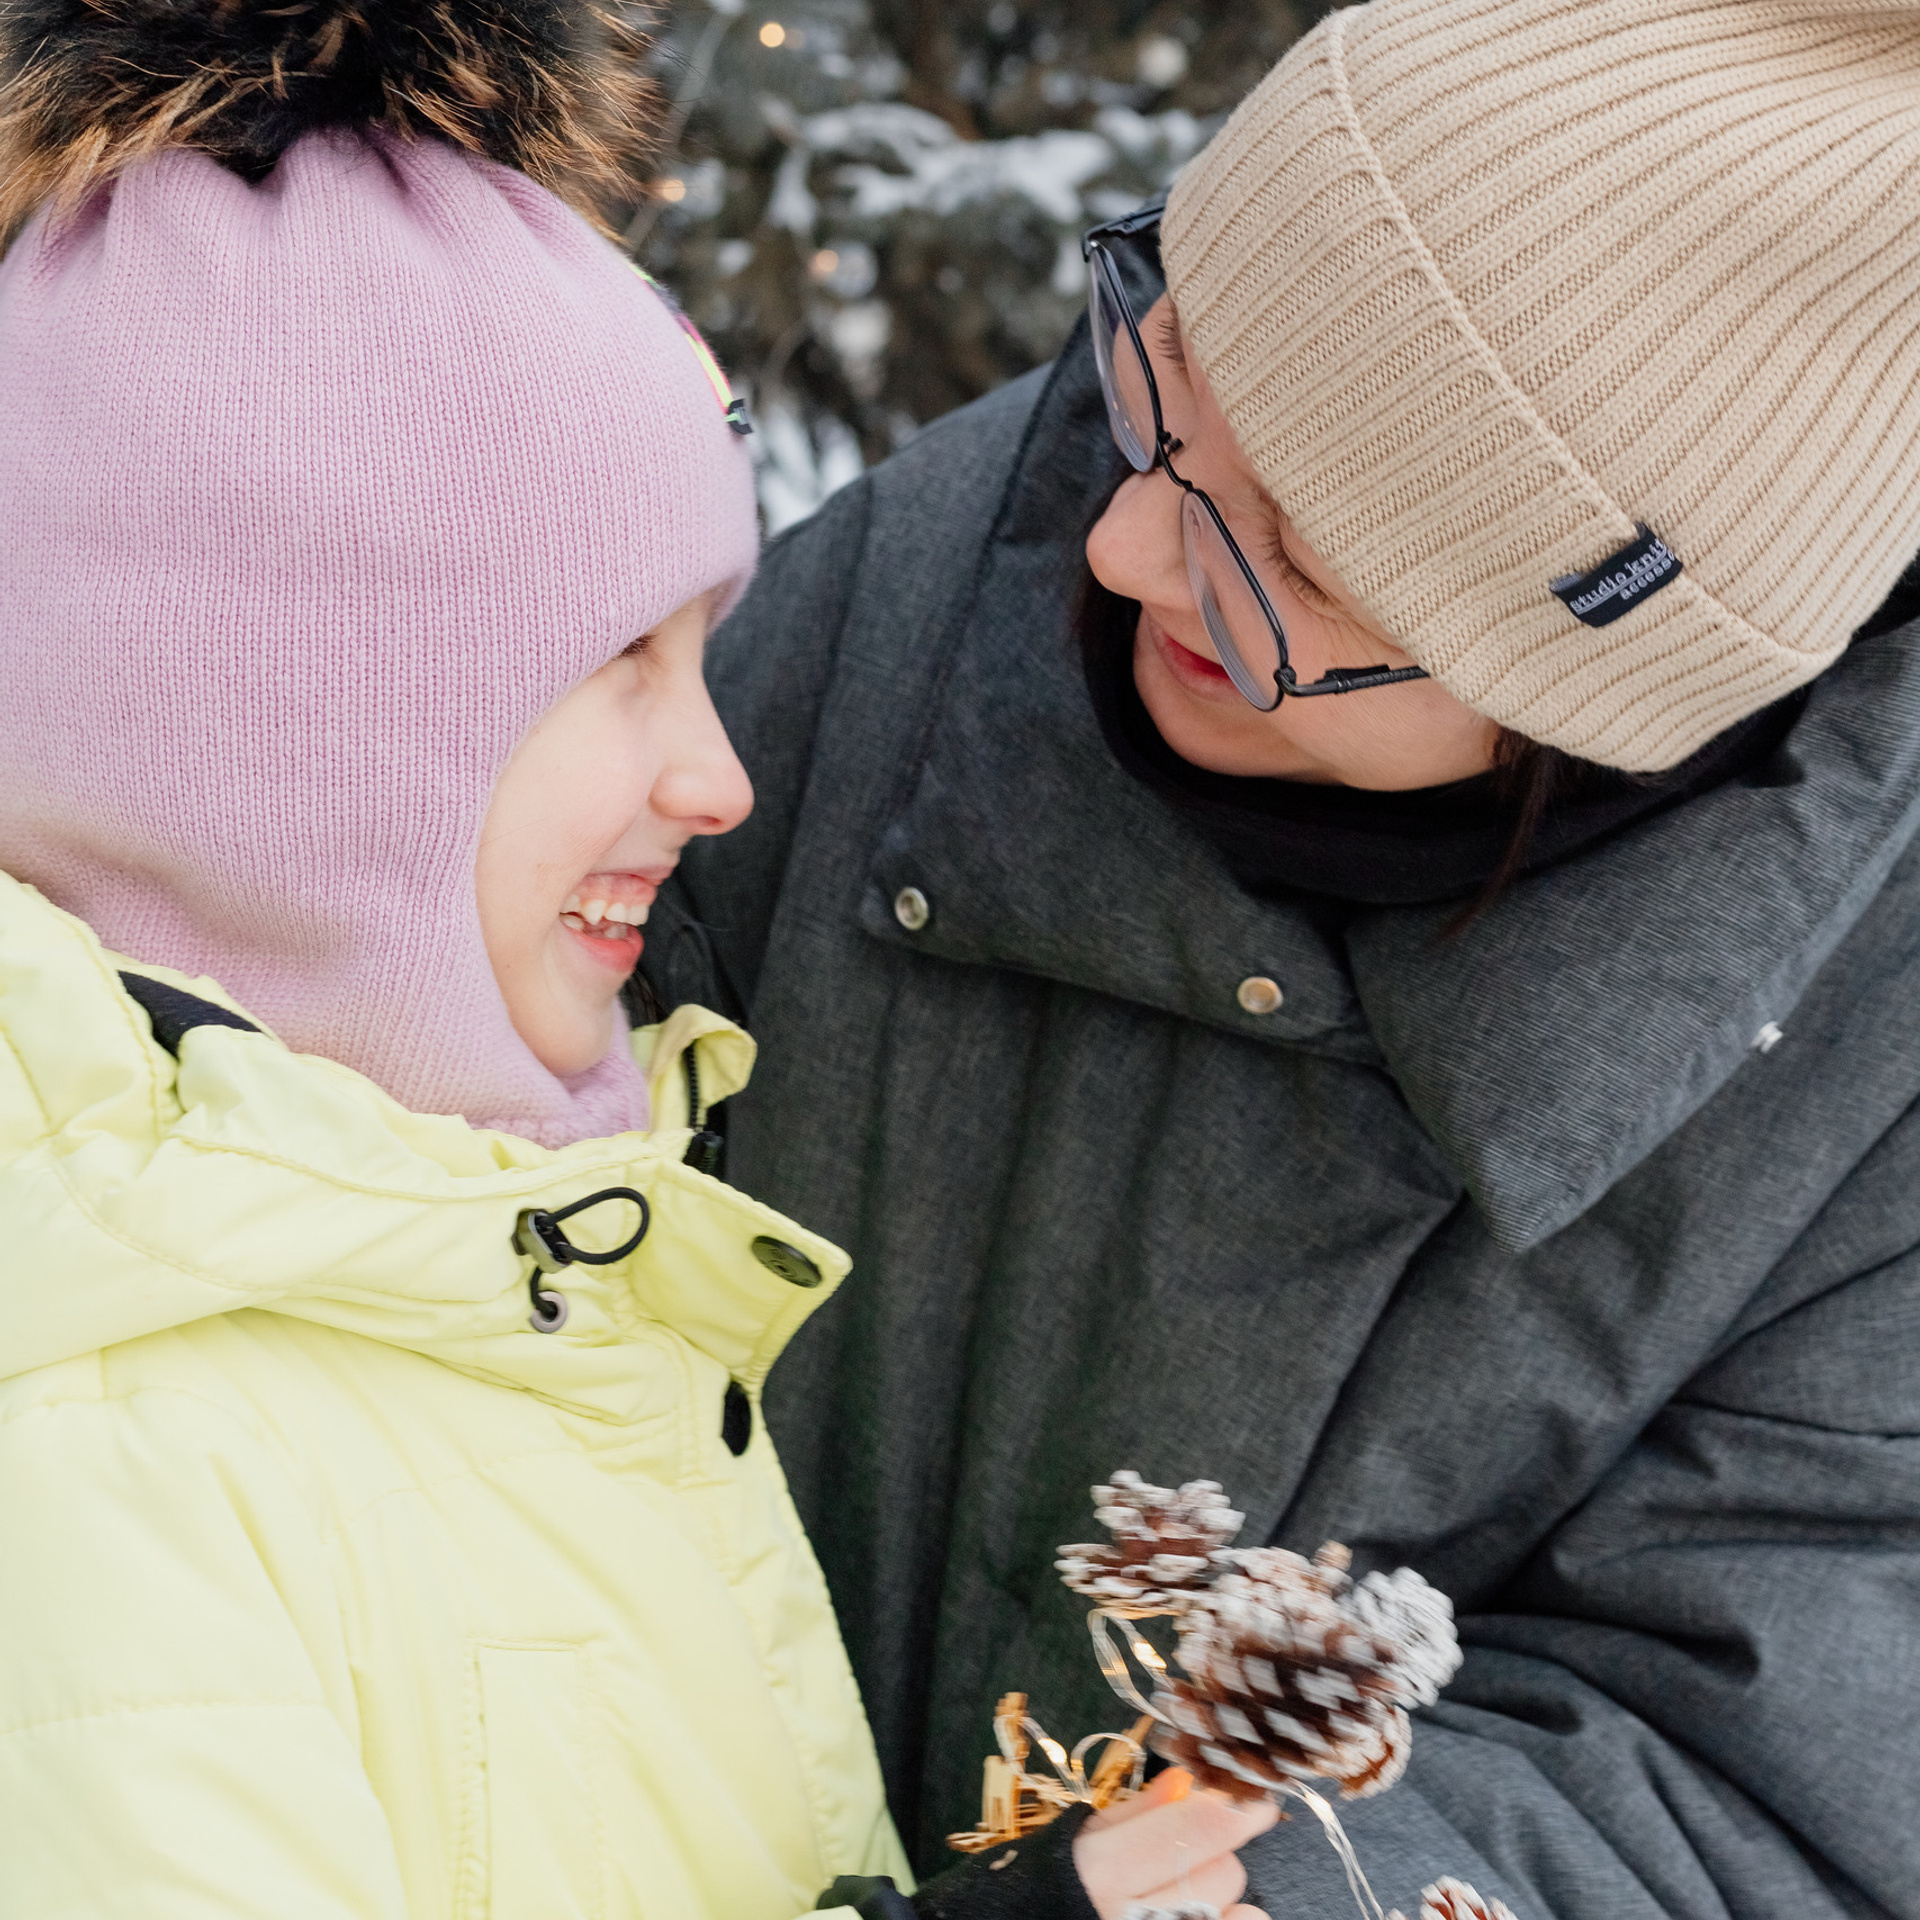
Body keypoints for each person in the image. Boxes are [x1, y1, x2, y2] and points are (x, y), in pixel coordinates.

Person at [0, 4, 1279, 1916]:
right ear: (270, 713)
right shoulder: (94, 1463)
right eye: (617, 665)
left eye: (705, 649)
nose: (719, 774)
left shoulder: (495, 1258)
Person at [646, 1, 1920, 1915]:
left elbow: (1764, 1776)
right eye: (1158, 369)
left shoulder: (1869, 1070)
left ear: (1587, 690)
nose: (1126, 548)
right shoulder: (1003, 538)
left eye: (1300, 565)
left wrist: (1243, 1894)